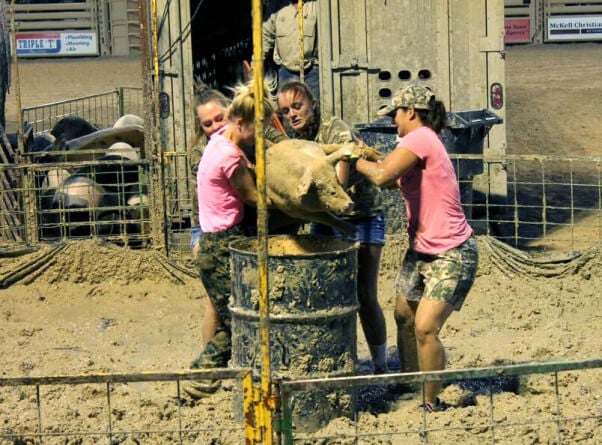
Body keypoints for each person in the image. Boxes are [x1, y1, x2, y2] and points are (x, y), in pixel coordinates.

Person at [353, 84, 479, 411]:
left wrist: (354, 159)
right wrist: (369, 155)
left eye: (396, 114)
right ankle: (410, 380)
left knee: (425, 327)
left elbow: (381, 177)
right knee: (403, 314)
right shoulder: (420, 143)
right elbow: (393, 175)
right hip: (422, 249)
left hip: (452, 252)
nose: (394, 121)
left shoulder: (420, 137)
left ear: (411, 111)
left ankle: (429, 400)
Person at [277, 80, 388, 374]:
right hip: (327, 219)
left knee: (365, 294)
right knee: (323, 291)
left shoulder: (334, 128)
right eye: (286, 111)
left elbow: (343, 165)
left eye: (297, 106)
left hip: (361, 214)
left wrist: (330, 184)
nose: (292, 115)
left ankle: (381, 365)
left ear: (313, 103)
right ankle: (331, 359)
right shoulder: (295, 140)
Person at [184, 82, 275, 400]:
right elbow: (254, 198)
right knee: (238, 320)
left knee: (232, 314)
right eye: (255, 129)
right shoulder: (229, 156)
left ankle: (208, 378)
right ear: (242, 123)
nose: (256, 136)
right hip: (222, 244)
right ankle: (201, 375)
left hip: (221, 241)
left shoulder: (220, 143)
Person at [187, 82, 231, 357]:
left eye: (219, 119)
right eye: (207, 124)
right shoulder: (203, 154)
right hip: (206, 232)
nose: (214, 127)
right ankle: (210, 361)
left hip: (232, 230)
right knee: (216, 302)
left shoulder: (238, 142)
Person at [262, 0, 320, 103]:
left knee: (313, 111)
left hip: (311, 71)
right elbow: (265, 37)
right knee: (288, 112)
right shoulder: (276, 6)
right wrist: (256, 65)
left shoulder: (316, 5)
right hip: (286, 72)